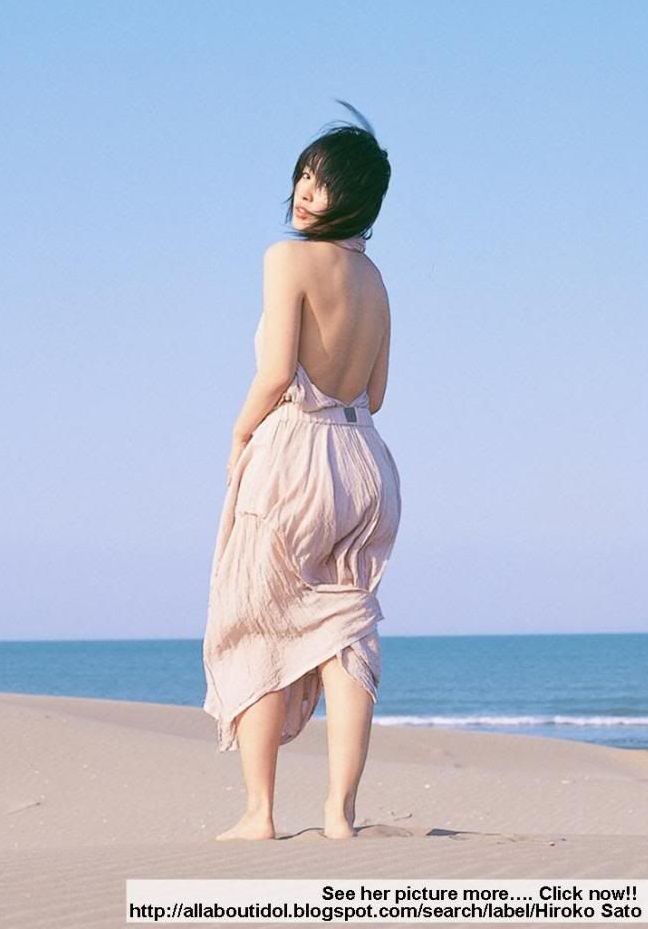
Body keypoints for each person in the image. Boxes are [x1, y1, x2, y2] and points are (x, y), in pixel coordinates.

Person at [202, 100, 402, 841]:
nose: (305, 192)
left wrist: (240, 432)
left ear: (354, 197)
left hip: (294, 451)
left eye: (322, 183)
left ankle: (260, 814)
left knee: (255, 625)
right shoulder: (375, 278)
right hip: (365, 457)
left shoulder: (285, 258)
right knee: (346, 629)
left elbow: (276, 372)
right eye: (304, 176)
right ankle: (339, 814)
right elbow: (377, 391)